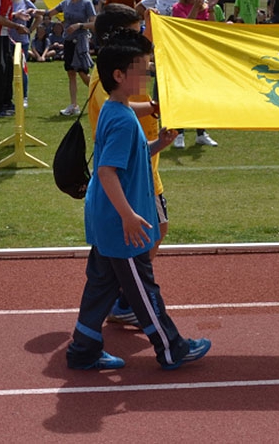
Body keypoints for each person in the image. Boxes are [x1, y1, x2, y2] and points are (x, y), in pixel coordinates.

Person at [66, 28, 211, 371]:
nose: (147, 74)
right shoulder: (122, 121)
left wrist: (158, 144)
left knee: (101, 287)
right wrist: (130, 216)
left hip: (107, 222)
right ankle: (171, 348)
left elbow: (126, 160)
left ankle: (82, 348)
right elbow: (107, 172)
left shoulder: (119, 112)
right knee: (144, 291)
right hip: (121, 227)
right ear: (119, 75)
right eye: (141, 68)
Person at [88, 3, 169, 326]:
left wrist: (159, 140)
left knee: (110, 265)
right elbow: (108, 168)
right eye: (135, 32)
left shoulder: (121, 80)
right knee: (145, 238)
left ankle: (90, 334)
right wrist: (151, 107)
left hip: (142, 163)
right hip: (133, 176)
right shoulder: (112, 95)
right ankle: (140, 310)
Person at [171, 0, 220, 148]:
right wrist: (195, 9)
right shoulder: (178, 7)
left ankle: (201, 132)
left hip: (202, 55)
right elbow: (184, 28)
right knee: (183, 94)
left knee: (202, 94)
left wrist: (212, 9)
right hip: (184, 56)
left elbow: (213, 29)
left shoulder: (206, 6)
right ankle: (179, 133)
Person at [41, 0, 97, 116]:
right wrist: (32, 11)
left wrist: (80, 25)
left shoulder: (86, 3)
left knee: (83, 73)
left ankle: (101, 95)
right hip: (68, 42)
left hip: (80, 42)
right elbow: (49, 13)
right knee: (71, 73)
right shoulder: (65, 3)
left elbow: (94, 24)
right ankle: (73, 105)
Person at [8, 0, 37, 108]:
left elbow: (39, 16)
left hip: (21, 42)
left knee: (22, 70)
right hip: (7, 39)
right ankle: (8, 97)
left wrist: (29, 30)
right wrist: (15, 15)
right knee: (8, 70)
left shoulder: (25, 1)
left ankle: (24, 96)